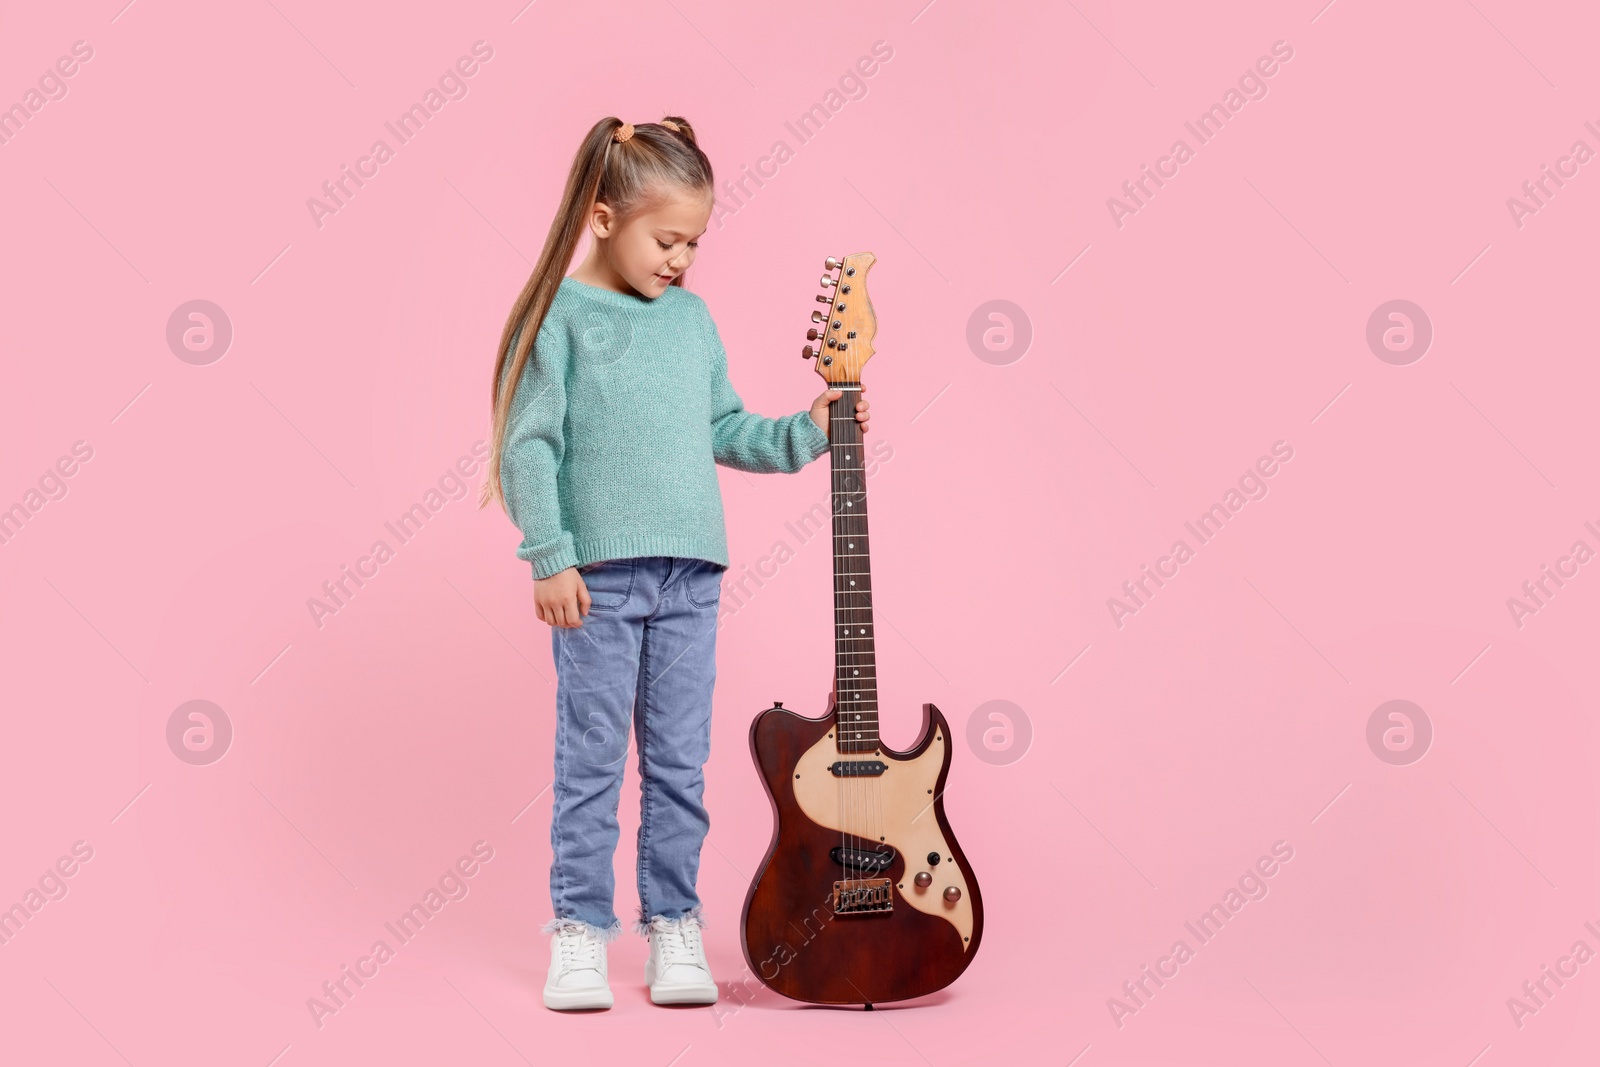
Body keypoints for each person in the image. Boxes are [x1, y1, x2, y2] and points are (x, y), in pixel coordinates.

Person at [479, 116, 870, 1011]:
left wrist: (810, 429)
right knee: (591, 762)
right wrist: (550, 556)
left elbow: (725, 428)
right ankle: (578, 929)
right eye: (667, 238)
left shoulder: (693, 321)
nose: (682, 259)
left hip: (691, 578)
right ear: (605, 218)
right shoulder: (561, 318)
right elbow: (529, 447)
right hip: (598, 580)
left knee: (679, 762)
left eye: (695, 240)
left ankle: (673, 923)